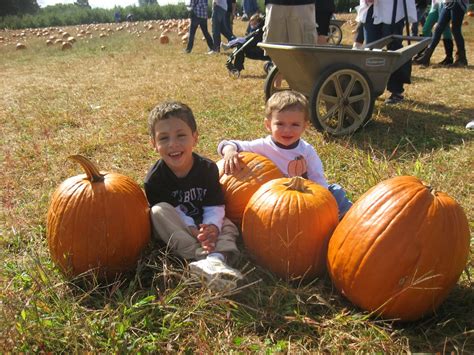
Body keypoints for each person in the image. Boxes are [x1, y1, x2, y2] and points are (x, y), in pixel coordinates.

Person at [144, 101, 243, 291]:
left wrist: (212, 227)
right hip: (182, 226)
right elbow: (173, 211)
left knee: (228, 225)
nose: (173, 144)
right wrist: (193, 231)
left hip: (206, 222)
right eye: (163, 138)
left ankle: (214, 261)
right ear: (153, 144)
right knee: (158, 212)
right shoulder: (154, 179)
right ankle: (206, 258)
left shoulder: (207, 168)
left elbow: (214, 205)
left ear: (194, 138)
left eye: (181, 135)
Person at [217, 90, 352, 220]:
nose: (287, 130)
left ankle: (346, 218)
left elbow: (319, 181)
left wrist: (323, 201)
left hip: (303, 199)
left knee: (336, 191)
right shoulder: (263, 146)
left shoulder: (306, 152)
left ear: (304, 126)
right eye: (280, 124)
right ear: (268, 125)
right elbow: (231, 143)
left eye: (295, 124)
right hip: (273, 202)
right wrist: (229, 151)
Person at [358, 0, 417, 104]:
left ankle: (396, 90)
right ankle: (369, 88)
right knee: (370, 50)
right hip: (371, 8)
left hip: (392, 7)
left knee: (394, 49)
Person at [414, 0, 469, 67]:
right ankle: (426, 58)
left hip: (458, 3)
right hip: (447, 3)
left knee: (455, 29)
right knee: (438, 29)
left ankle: (462, 59)